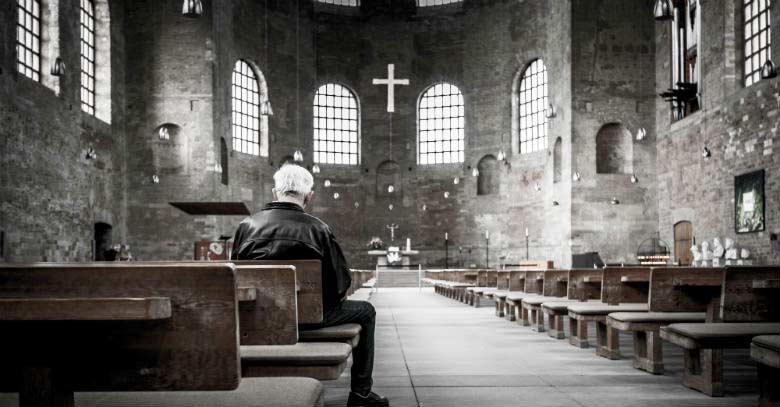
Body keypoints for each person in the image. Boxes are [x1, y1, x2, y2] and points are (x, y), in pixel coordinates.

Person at [231, 164, 389, 407]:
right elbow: (341, 284)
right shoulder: (319, 228)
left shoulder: (246, 227)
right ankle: (361, 394)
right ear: (309, 196)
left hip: (259, 319)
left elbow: (236, 277)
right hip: (313, 318)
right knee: (367, 312)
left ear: (275, 193)